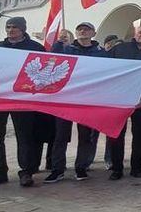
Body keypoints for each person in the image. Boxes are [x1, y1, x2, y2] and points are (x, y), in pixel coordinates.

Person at [0, 16, 48, 187]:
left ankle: (26, 171)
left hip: (23, 98)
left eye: (14, 27)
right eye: (8, 27)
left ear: (23, 29)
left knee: (25, 135)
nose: (11, 30)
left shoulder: (35, 48)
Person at [45, 21, 106, 182]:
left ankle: (81, 167)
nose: (83, 32)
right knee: (61, 135)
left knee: (85, 135)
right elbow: (52, 58)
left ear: (93, 33)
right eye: (80, 29)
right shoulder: (66, 49)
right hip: (66, 97)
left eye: (87, 30)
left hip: (88, 98)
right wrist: (59, 41)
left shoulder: (101, 53)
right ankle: (57, 169)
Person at [109, 24, 141, 179]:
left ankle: (136, 167)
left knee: (139, 136)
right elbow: (104, 68)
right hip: (119, 99)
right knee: (115, 134)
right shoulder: (120, 49)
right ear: (135, 33)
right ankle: (117, 168)